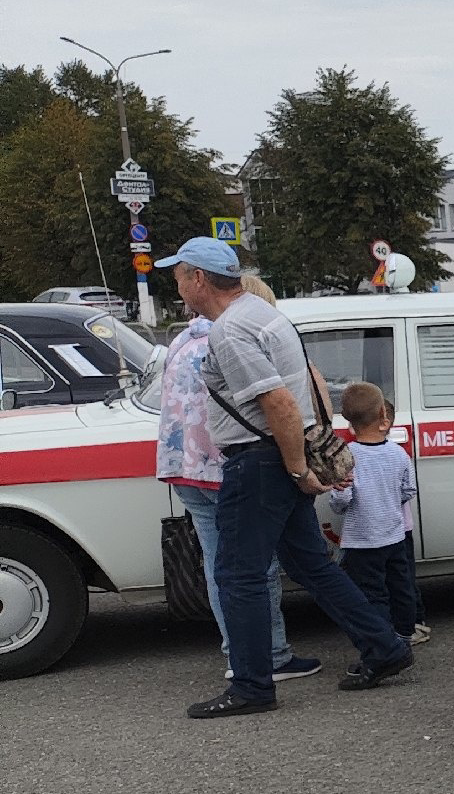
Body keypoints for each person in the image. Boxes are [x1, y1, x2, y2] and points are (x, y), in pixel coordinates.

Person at [158, 238, 414, 718]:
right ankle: (384, 646)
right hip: (278, 458)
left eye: (179, 278)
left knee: (238, 574)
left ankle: (252, 686)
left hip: (259, 460)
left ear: (198, 279)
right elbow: (305, 389)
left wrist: (298, 470)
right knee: (310, 565)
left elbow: (277, 402)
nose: (177, 288)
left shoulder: (229, 332)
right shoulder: (261, 312)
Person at [154, 309, 320, 683]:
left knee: (220, 565)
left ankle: (238, 653)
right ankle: (271, 655)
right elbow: (273, 404)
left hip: (181, 463)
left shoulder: (180, 341)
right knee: (255, 568)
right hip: (223, 465)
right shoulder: (236, 338)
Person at [327, 380, 428, 647]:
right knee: (401, 586)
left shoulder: (347, 456)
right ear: (384, 415)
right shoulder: (398, 454)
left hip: (361, 541)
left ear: (347, 420)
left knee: (371, 593)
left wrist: (337, 494)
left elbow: (341, 501)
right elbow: (409, 490)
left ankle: (383, 640)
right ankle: (405, 633)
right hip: (395, 535)